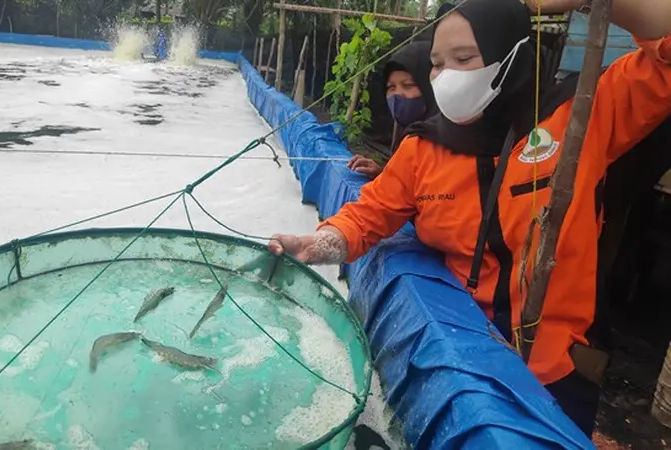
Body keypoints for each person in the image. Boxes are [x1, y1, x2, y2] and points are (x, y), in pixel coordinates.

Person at [268, 0, 671, 438]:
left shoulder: (579, 115)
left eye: (464, 59)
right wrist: (319, 243)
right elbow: (368, 215)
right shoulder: (423, 149)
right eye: (438, 64)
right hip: (461, 353)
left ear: (511, 53)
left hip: (558, 369)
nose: (446, 77)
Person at [346, 41, 438, 180]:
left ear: (430, 87)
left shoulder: (445, 145)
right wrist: (383, 174)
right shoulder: (406, 135)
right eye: (391, 88)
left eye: (407, 85)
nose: (397, 95)